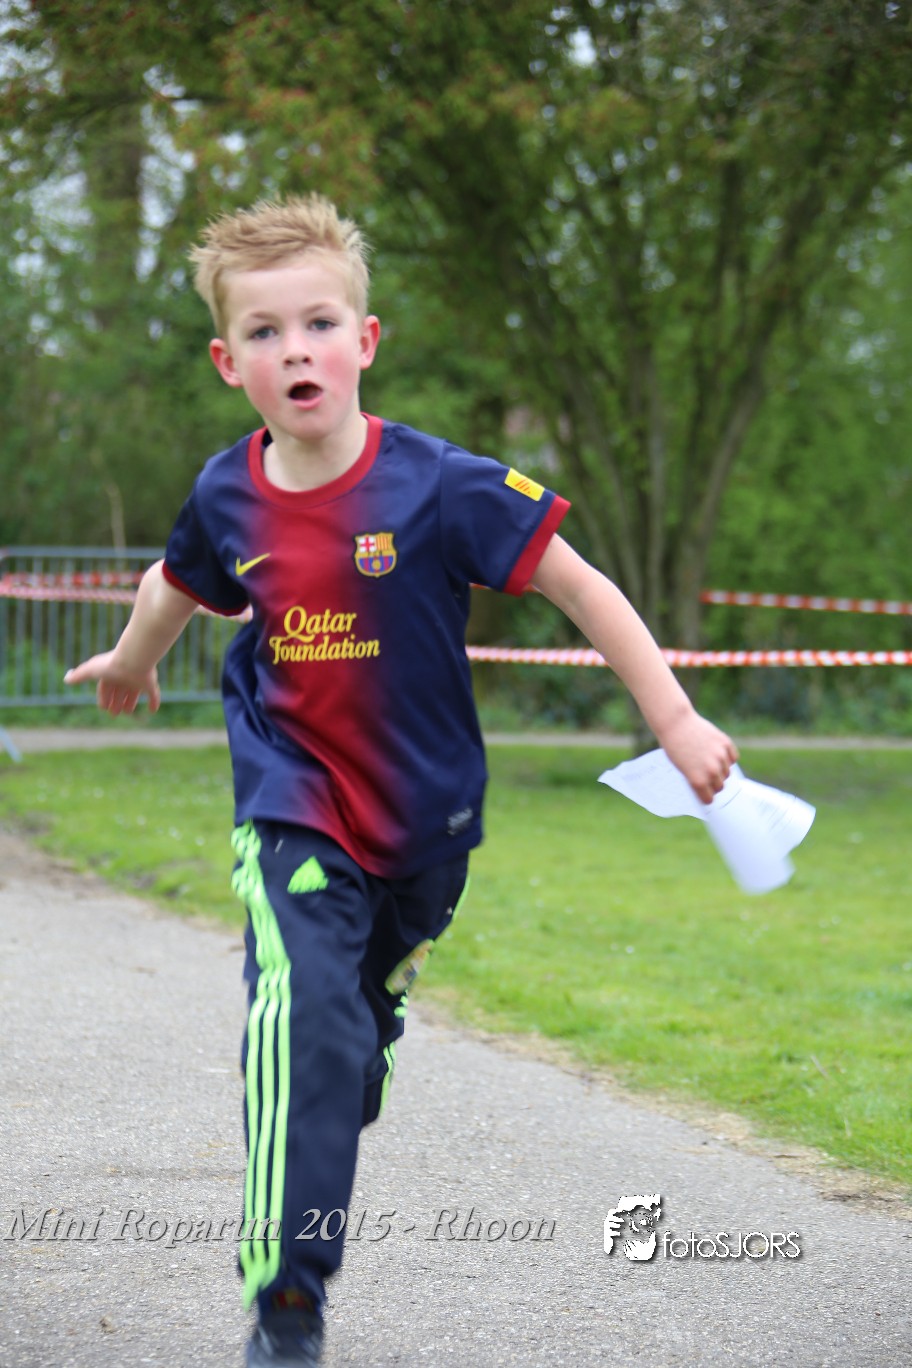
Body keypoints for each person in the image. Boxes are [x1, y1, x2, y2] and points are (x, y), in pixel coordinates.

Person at [64, 193, 737, 1366]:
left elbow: (580, 585)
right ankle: (288, 1297)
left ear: (365, 341)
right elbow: (175, 581)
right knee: (301, 1022)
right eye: (265, 333)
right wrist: (131, 663)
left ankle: (369, 1023)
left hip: (427, 822)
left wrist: (672, 718)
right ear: (230, 363)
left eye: (319, 324)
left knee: (353, 1026)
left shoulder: (438, 484)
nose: (296, 351)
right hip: (293, 805)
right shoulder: (228, 494)